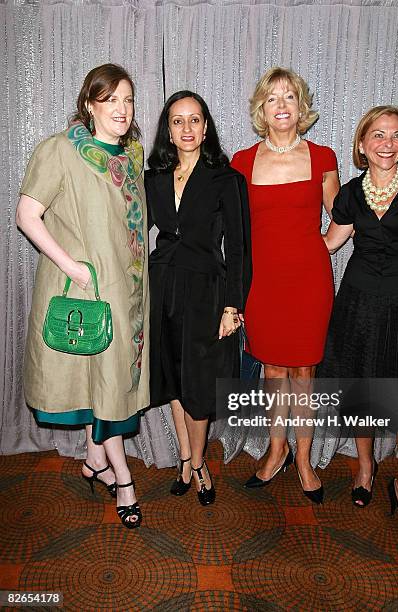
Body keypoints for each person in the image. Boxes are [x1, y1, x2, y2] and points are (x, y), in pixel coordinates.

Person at [16, 64, 149, 529]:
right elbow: (26, 215)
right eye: (110, 99)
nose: (121, 109)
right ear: (89, 104)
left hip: (129, 292)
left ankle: (94, 460)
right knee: (108, 384)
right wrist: (72, 267)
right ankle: (124, 478)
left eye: (128, 100)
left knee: (109, 382)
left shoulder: (132, 153)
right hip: (88, 290)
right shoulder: (60, 151)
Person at [321, 105, 398, 537]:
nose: (387, 143)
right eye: (378, 135)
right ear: (362, 144)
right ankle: (365, 468)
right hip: (357, 306)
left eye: (396, 136)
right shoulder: (351, 196)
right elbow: (328, 244)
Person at [231, 67, 340, 503]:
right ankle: (276, 451)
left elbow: (342, 214)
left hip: (309, 282)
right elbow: (235, 230)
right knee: (272, 370)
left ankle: (304, 459)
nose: (281, 105)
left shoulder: (323, 157)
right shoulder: (241, 161)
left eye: (289, 97)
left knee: (304, 373)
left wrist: (323, 248)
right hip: (263, 284)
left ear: (301, 107)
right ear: (262, 108)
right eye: (272, 98)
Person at [145, 91, 251, 506]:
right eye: (177, 121)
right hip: (161, 286)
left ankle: (199, 462)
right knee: (171, 376)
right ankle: (186, 461)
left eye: (194, 120)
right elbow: (134, 233)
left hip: (207, 291)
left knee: (199, 383)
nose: (186, 128)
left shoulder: (227, 180)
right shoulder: (151, 178)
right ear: (168, 131)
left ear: (206, 128)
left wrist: (233, 306)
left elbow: (240, 249)